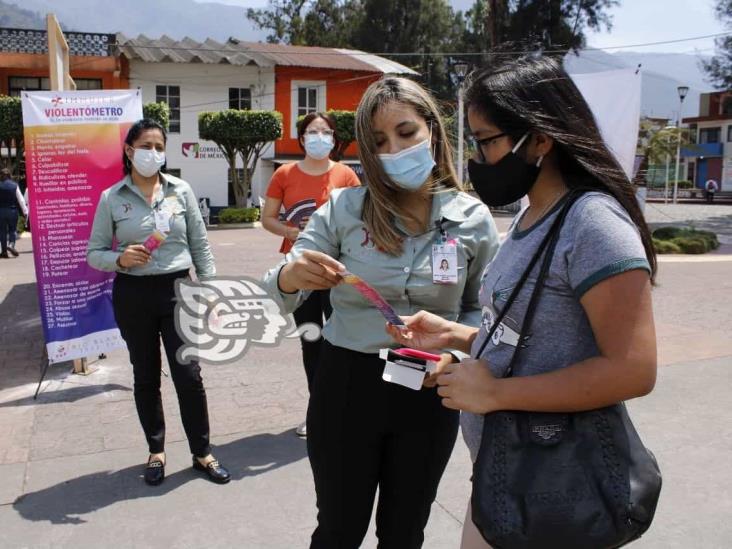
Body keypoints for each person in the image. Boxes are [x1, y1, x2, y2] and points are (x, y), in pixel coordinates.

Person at [387, 56, 658, 549]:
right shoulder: (533, 215)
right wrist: (460, 337)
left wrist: (496, 396)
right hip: (506, 474)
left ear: (540, 137)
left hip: (557, 485)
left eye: (487, 141)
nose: (478, 159)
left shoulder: (592, 224)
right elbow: (537, 340)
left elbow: (633, 370)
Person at [263, 77, 499, 549]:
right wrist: (293, 276)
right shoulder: (345, 209)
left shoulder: (472, 219)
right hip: (348, 382)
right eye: (378, 142)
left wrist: (455, 353)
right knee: (338, 528)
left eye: (407, 133)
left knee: (404, 531)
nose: (394, 150)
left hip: (430, 388)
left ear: (432, 129)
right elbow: (278, 286)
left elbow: (484, 311)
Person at [87, 119, 230, 486]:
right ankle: (156, 451)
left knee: (188, 374)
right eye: (145, 145)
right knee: (146, 375)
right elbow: (94, 253)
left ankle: (202, 452)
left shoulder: (180, 191)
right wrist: (119, 259)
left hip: (178, 290)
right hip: (133, 294)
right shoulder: (112, 198)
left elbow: (200, 244)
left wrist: (211, 289)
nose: (153, 152)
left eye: (158, 146)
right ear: (129, 150)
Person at [261, 112, 360, 437]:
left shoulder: (346, 174)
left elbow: (361, 218)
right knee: (310, 339)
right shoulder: (285, 174)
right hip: (300, 271)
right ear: (302, 139)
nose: (320, 137)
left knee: (341, 338)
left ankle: (343, 406)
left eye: (326, 132)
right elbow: (268, 218)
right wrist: (291, 231)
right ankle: (317, 408)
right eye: (313, 132)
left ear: (334, 138)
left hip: (337, 271)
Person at [0, 168, 27, 258]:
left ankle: (4, 252)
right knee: (12, 230)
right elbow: (21, 200)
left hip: (1, 211)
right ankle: (11, 245)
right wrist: (25, 211)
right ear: (9, 175)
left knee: (2, 231)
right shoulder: (14, 185)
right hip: (12, 211)